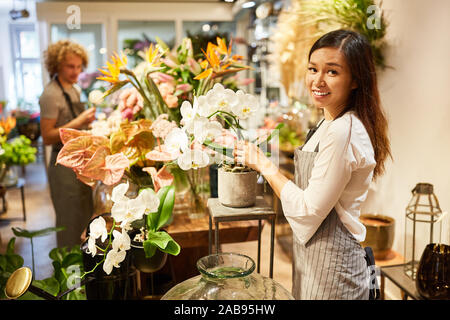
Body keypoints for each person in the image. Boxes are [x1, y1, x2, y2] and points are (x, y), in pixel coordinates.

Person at [235, 29, 391, 300]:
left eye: (332, 72)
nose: (317, 80)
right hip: (314, 262)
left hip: (335, 271)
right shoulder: (327, 121)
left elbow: (307, 211)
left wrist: (264, 164)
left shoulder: (344, 130)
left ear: (355, 80)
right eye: (312, 69)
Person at [39, 40, 96, 249]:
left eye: (79, 66)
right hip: (62, 166)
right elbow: (47, 136)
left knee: (84, 218)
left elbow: (69, 124)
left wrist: (84, 122)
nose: (76, 71)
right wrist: (80, 121)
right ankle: (67, 277)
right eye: (70, 66)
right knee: (68, 223)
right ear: (56, 66)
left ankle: (83, 274)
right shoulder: (50, 95)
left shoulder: (73, 89)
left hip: (80, 162)